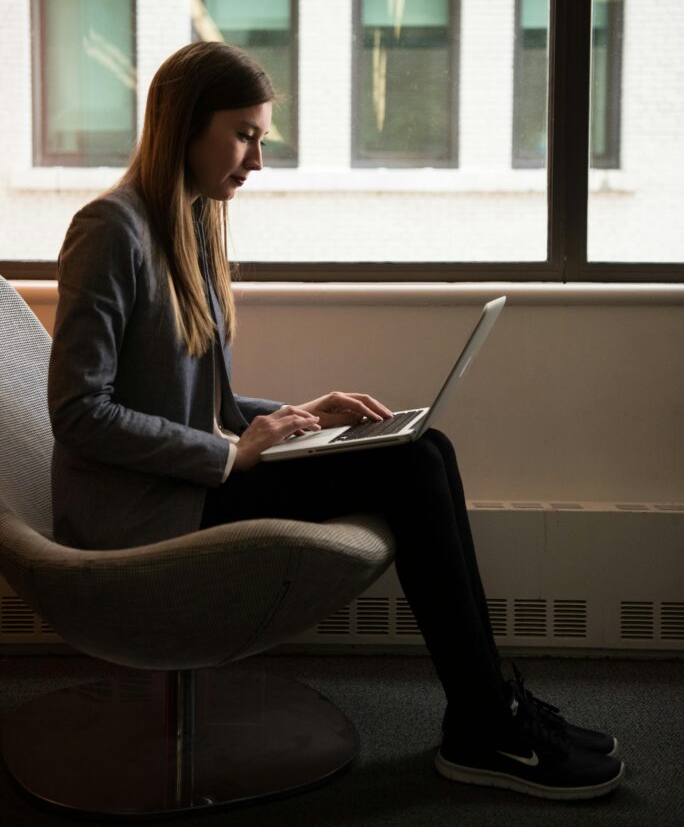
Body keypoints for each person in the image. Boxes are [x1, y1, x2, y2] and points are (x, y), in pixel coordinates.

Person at [48, 41, 624, 802]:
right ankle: (486, 723)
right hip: (140, 511)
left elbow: (205, 405)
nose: (257, 159)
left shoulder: (192, 222)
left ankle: (491, 708)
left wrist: (293, 415)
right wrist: (233, 458)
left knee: (426, 445)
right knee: (413, 467)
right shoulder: (110, 229)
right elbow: (79, 413)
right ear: (186, 125)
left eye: (262, 137)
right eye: (245, 134)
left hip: (187, 479)